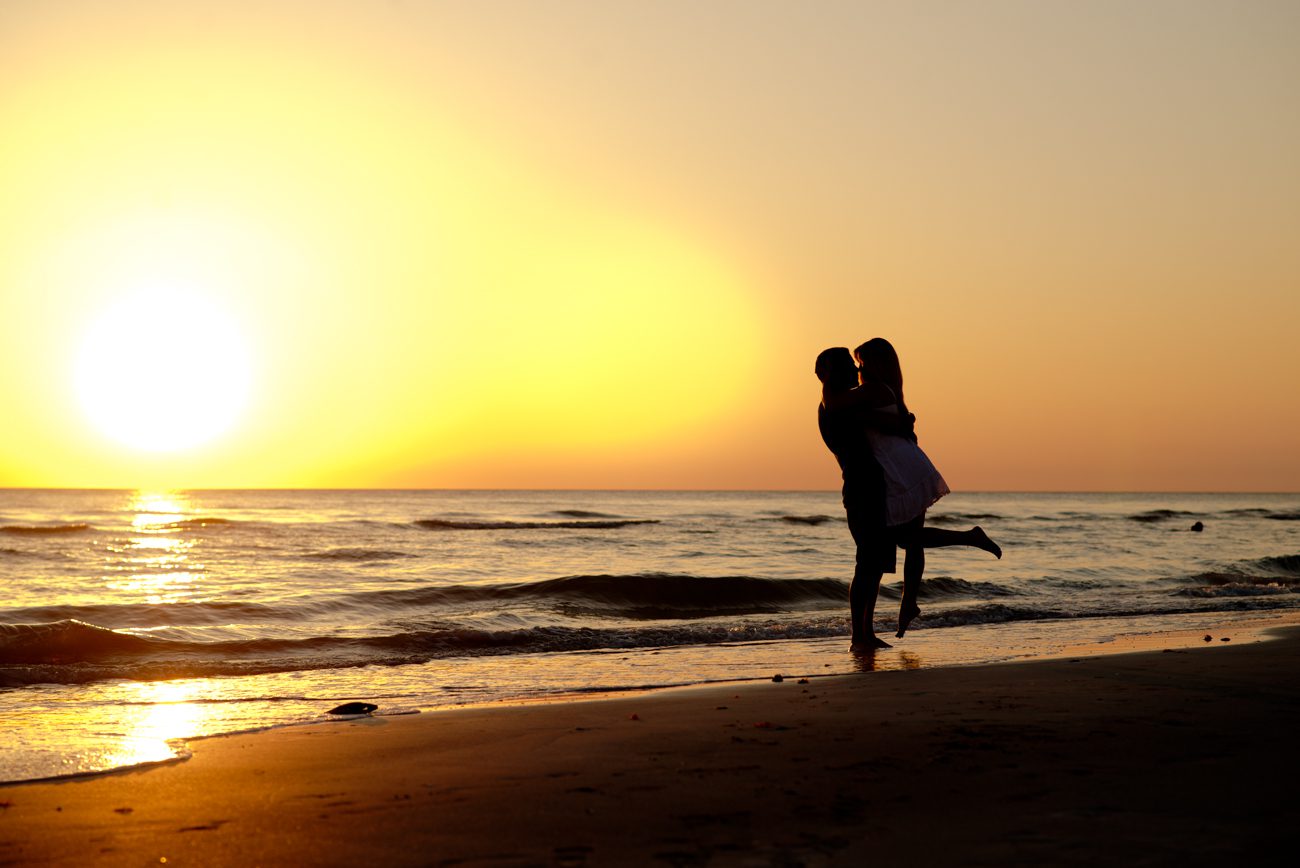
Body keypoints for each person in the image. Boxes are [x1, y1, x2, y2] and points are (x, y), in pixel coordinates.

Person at [847, 338, 1001, 638]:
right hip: (907, 465)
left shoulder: (874, 390)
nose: (858, 369)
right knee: (912, 540)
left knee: (907, 539)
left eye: (861, 363)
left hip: (897, 469)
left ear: (876, 365)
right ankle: (909, 602)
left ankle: (969, 538)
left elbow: (842, 406)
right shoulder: (891, 391)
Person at [815, 347, 911, 650]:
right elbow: (883, 424)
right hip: (861, 488)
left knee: (875, 564)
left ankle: (866, 632)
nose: (854, 370)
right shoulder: (834, 404)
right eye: (846, 364)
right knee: (866, 563)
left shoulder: (848, 401)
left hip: (873, 485)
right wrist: (899, 422)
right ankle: (859, 635)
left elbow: (884, 423)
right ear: (829, 371)